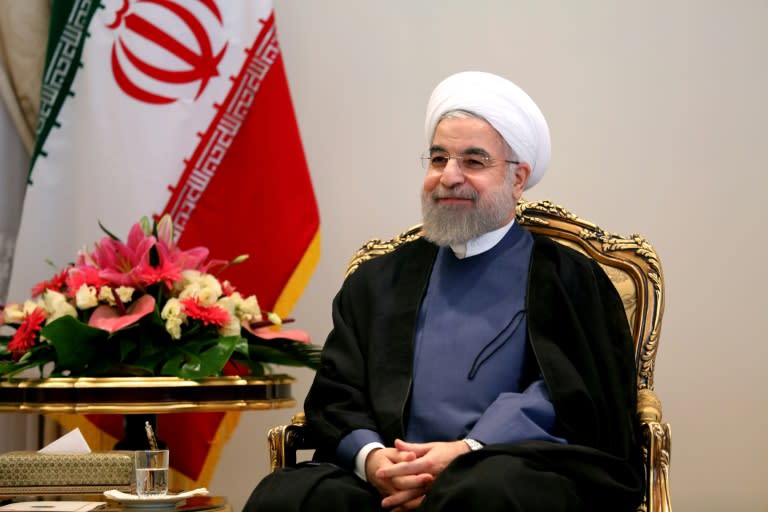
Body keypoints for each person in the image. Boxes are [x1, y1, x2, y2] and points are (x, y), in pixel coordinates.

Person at [244, 71, 644, 512]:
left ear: (517, 179)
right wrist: (374, 460)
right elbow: (337, 394)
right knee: (287, 498)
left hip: (510, 469)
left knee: (484, 492)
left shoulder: (570, 279)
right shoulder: (378, 282)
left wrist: (468, 451)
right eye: (438, 159)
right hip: (385, 481)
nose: (449, 177)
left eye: (473, 162)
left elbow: (574, 395)